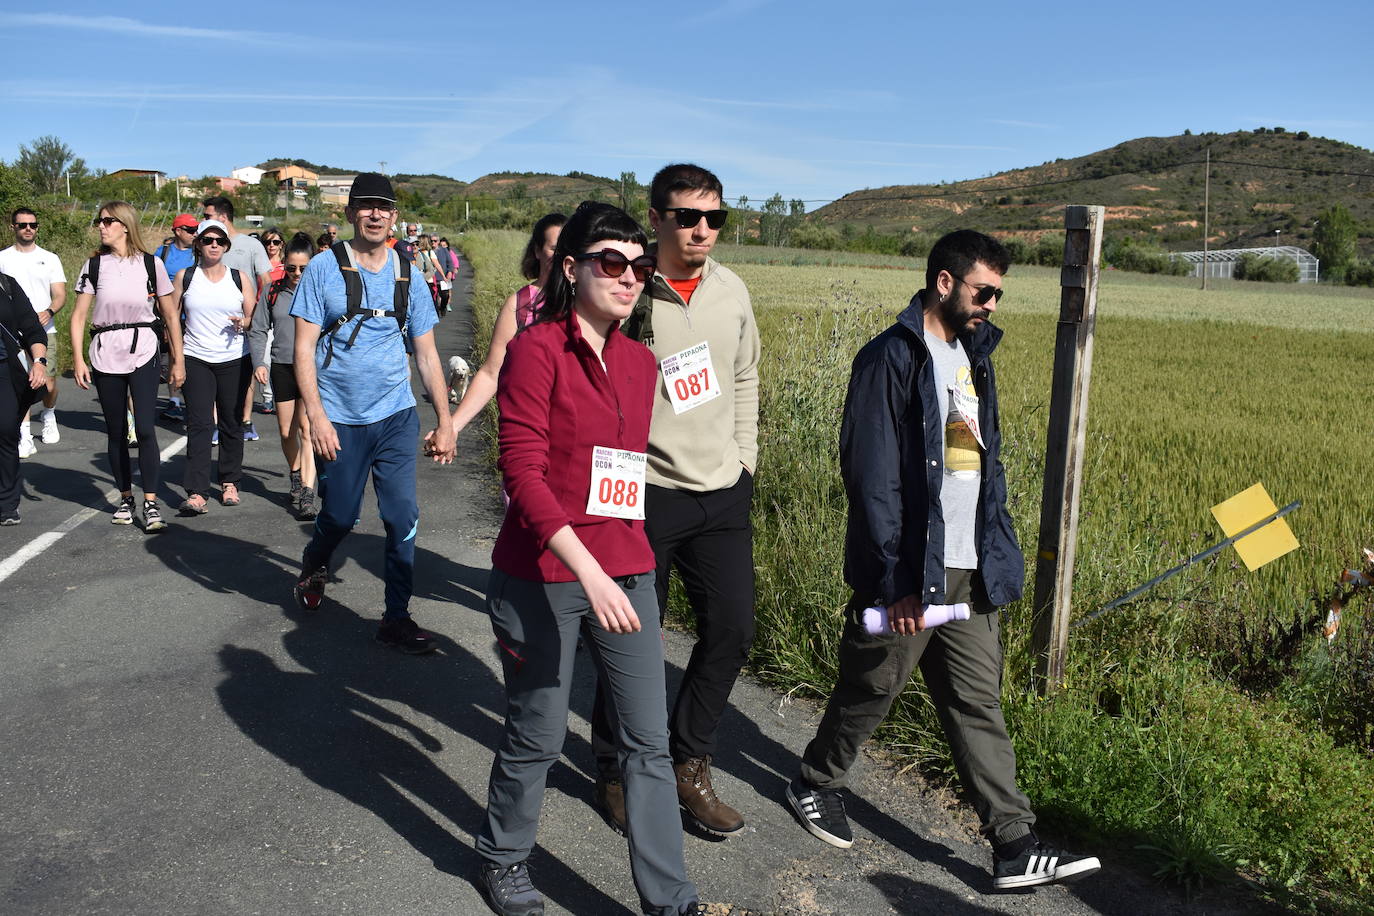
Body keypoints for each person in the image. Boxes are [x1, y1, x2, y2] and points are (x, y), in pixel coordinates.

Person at [784, 230, 1102, 889]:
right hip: (911, 570)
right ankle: (815, 780)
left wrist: (996, 546)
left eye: (999, 294)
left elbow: (977, 461)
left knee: (976, 701)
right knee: (874, 685)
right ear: (945, 283)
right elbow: (871, 476)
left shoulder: (974, 356)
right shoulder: (891, 357)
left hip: (971, 566)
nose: (992, 303)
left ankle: (1013, 843)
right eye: (985, 291)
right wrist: (895, 578)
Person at [475, 201, 705, 916]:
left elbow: (624, 477)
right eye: (613, 262)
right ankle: (504, 858)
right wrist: (589, 569)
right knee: (538, 734)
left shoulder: (640, 364)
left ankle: (671, 899)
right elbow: (524, 474)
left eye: (640, 265)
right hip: (541, 575)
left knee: (648, 744)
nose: (630, 276)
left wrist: (626, 567)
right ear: (571, 268)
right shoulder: (536, 349)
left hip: (624, 571)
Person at [589, 164, 760, 839]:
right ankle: (615, 768)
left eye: (714, 218)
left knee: (733, 628)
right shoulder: (628, 288)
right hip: (644, 492)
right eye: (689, 217)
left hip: (721, 490)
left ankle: (687, 761)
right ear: (658, 219)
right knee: (630, 638)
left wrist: (745, 461)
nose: (702, 230)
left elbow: (746, 375)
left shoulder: (732, 291)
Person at [289, 172, 455, 652]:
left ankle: (397, 617)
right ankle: (314, 563)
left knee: (401, 515)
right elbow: (303, 349)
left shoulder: (408, 274)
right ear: (349, 213)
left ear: (395, 216)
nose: (376, 213)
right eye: (365, 205)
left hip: (396, 416)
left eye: (384, 206)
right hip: (339, 417)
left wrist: (444, 421)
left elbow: (425, 353)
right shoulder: (323, 268)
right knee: (340, 517)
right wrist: (316, 417)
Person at [70, 201, 185, 531]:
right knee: (117, 431)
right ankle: (125, 497)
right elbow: (79, 317)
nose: (101, 226)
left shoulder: (151, 264)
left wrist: (177, 359)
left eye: (108, 221)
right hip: (105, 352)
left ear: (125, 225)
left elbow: (171, 315)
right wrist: (78, 358)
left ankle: (150, 502)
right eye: (99, 221)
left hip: (144, 349)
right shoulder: (93, 265)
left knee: (146, 429)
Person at [447, 212, 564, 439]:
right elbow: (492, 371)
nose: (561, 256)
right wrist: (451, 427)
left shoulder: (589, 302)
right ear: (537, 251)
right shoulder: (520, 304)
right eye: (554, 248)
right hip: (532, 430)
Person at [172, 220, 254, 513]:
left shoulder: (239, 278)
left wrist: (243, 323)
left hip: (234, 358)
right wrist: (177, 360)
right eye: (208, 240)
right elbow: (172, 319)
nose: (214, 244)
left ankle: (230, 481)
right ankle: (197, 491)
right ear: (198, 244)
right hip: (196, 357)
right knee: (199, 424)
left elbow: (254, 317)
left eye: (220, 240)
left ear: (227, 246)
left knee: (232, 422)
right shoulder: (186, 276)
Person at [248, 232, 317, 519]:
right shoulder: (272, 291)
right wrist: (258, 363)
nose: (296, 274)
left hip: (312, 368)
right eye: (291, 268)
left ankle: (308, 493)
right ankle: (296, 474)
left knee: (307, 431)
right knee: (286, 431)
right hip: (282, 365)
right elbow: (258, 328)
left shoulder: (319, 292)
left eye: (303, 268)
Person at [201, 196, 269, 442]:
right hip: (209, 325)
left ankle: (246, 420)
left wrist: (258, 316)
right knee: (212, 379)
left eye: (208, 215)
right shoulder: (206, 244)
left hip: (245, 322)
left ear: (223, 217)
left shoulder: (250, 246)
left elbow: (266, 280)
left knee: (244, 376)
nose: (204, 220)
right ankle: (218, 424)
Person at [0, 208, 66, 458]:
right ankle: (24, 434)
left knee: (47, 384)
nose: (28, 228)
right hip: (10, 334)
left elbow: (60, 294)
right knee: (21, 383)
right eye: (22, 225)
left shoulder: (50, 258)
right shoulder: (3, 258)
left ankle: (49, 414)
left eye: (33, 225)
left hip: (43, 329)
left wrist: (49, 311)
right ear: (13, 228)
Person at [0, 268, 48, 525]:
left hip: (3, 369)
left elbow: (32, 328)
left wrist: (39, 362)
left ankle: (7, 503)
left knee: (6, 429)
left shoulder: (6, 284)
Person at [154, 214, 198, 421]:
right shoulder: (162, 253)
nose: (194, 233)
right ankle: (174, 401)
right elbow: (151, 281)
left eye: (196, 229)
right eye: (190, 230)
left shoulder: (198, 253)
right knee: (173, 353)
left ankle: (194, 397)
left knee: (191, 355)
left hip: (193, 312)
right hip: (168, 312)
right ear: (177, 231)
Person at [433, 236, 457, 315]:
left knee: (445, 295)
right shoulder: (428, 251)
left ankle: (443, 307)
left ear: (438, 241)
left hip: (443, 278)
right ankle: (436, 312)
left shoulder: (443, 250)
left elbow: (450, 262)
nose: (433, 242)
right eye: (431, 241)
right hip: (432, 278)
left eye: (435, 240)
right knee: (433, 297)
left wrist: (450, 271)